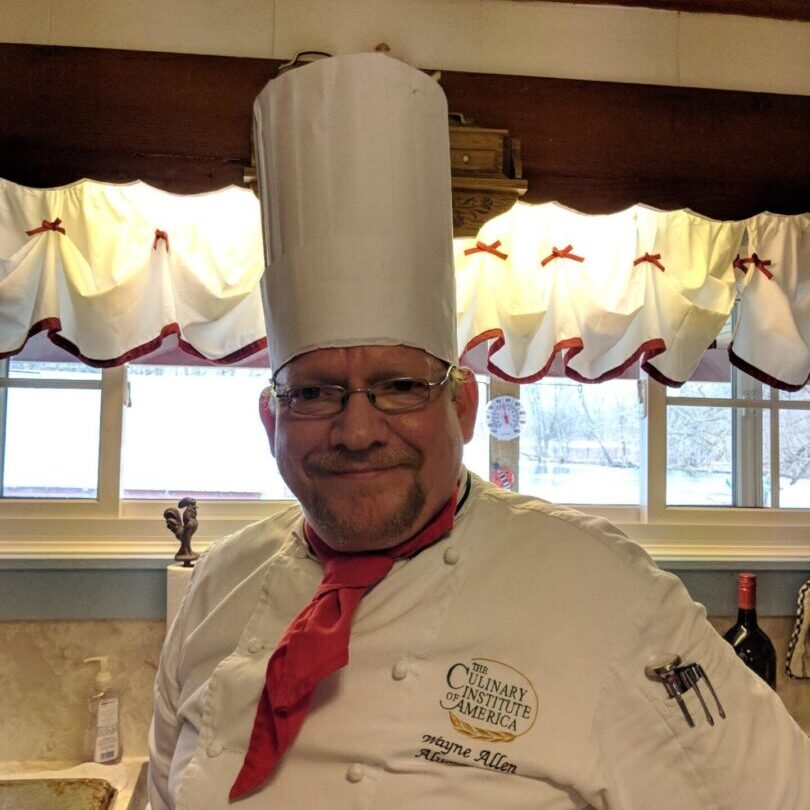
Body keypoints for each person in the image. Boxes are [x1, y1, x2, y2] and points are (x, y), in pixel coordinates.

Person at [148, 52, 809, 810]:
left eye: (399, 387)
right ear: (271, 418)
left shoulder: (604, 592)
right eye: (316, 392)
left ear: (460, 408)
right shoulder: (214, 593)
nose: (357, 429)